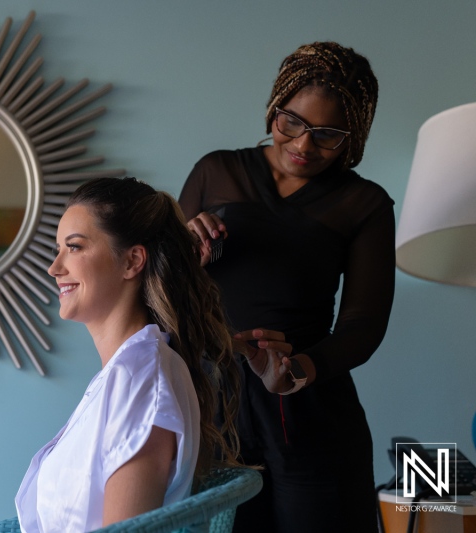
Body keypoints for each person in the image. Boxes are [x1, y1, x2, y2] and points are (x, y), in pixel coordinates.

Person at [179, 42, 394, 533]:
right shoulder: (216, 171)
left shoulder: (365, 205)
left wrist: (296, 371)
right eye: (290, 121)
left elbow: (363, 324)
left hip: (311, 407)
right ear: (275, 107)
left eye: (328, 135)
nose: (302, 145)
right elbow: (160, 296)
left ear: (353, 137)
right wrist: (185, 250)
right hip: (215, 408)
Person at [14, 177, 242, 533]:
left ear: (132, 261)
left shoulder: (140, 378)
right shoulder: (125, 372)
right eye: (58, 250)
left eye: (74, 247)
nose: (55, 268)